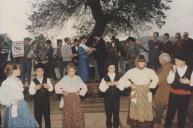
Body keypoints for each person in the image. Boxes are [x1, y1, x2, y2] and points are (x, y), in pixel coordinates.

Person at [120, 55, 159, 128]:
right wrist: (130, 85)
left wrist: (150, 86)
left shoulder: (149, 71)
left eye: (143, 62)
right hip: (136, 93)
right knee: (135, 112)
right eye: (140, 62)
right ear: (137, 62)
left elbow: (156, 79)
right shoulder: (132, 71)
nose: (142, 64)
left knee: (146, 111)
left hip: (145, 93)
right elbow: (123, 79)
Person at [0, 62, 39, 128]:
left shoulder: (18, 80)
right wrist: (10, 102)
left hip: (22, 107)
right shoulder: (6, 83)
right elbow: (1, 98)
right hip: (13, 109)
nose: (20, 70)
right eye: (18, 69)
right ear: (14, 71)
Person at [164, 51, 193, 128]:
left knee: (182, 115)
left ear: (184, 61)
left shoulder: (191, 70)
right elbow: (169, 81)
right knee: (170, 114)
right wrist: (173, 72)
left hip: (185, 96)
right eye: (175, 60)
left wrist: (189, 82)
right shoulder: (173, 68)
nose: (175, 62)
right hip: (173, 95)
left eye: (177, 60)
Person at [55, 63, 88, 128]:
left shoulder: (78, 78)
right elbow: (56, 86)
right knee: (68, 114)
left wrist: (80, 93)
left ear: (75, 71)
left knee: (77, 113)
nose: (71, 73)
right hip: (67, 98)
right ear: (67, 71)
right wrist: (63, 92)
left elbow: (85, 87)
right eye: (69, 71)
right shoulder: (65, 78)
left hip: (76, 98)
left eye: (73, 71)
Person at [99, 63, 124, 128]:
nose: (112, 69)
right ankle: (109, 126)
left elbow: (122, 88)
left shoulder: (118, 76)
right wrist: (107, 84)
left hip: (116, 98)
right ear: (107, 69)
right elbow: (101, 89)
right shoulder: (105, 77)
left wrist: (118, 84)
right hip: (107, 99)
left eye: (113, 67)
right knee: (108, 114)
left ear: (115, 69)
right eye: (110, 67)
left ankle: (116, 126)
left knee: (116, 113)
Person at [29, 63, 53, 128]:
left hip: (46, 102)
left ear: (44, 71)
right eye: (38, 71)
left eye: (41, 70)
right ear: (35, 72)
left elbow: (51, 89)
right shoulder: (33, 81)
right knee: (37, 117)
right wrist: (35, 88)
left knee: (47, 117)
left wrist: (48, 87)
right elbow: (31, 92)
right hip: (37, 103)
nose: (40, 72)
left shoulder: (47, 79)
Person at [154, 53, 172, 128]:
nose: (159, 61)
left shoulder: (166, 68)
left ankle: (157, 122)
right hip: (169, 90)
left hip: (164, 90)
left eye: (159, 60)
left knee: (160, 106)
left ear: (162, 60)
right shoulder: (170, 66)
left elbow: (159, 81)